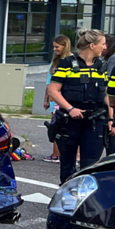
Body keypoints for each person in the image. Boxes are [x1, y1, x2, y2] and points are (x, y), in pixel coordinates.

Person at [47, 29, 115, 183]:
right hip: (70, 121)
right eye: (103, 44)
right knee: (67, 164)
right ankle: (67, 192)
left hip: (95, 122)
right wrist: (70, 109)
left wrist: (111, 118)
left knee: (90, 165)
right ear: (92, 45)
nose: (105, 47)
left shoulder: (101, 66)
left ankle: (85, 195)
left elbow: (105, 95)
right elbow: (53, 90)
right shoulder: (67, 64)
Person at [43, 35, 72, 163]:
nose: (54, 49)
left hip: (66, 99)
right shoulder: (55, 62)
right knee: (56, 127)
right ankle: (56, 154)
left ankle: (67, 155)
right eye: (53, 47)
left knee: (69, 129)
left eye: (57, 47)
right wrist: (46, 99)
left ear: (65, 46)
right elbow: (49, 83)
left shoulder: (72, 61)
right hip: (55, 100)